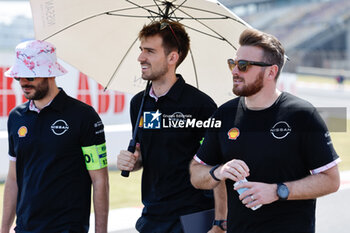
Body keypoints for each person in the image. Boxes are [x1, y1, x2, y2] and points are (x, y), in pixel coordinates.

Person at [190, 28, 340, 233]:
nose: (235, 71)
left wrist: (278, 191)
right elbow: (196, 174)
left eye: (243, 66)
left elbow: (331, 180)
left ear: (271, 71)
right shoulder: (224, 114)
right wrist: (220, 171)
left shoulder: (302, 114)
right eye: (233, 63)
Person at [117, 20, 227, 233]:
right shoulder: (138, 103)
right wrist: (133, 160)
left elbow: (217, 166)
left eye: (149, 51)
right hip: (151, 216)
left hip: (192, 217)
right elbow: (143, 154)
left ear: (172, 57)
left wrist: (220, 223)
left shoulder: (200, 105)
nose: (140, 57)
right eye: (141, 50)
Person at [1, 40, 109, 233]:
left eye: (30, 76)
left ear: (50, 73)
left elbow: (100, 180)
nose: (23, 82)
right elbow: (13, 179)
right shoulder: (16, 117)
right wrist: (3, 229)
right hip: (25, 228)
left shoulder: (84, 116)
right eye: (19, 77)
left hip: (67, 229)